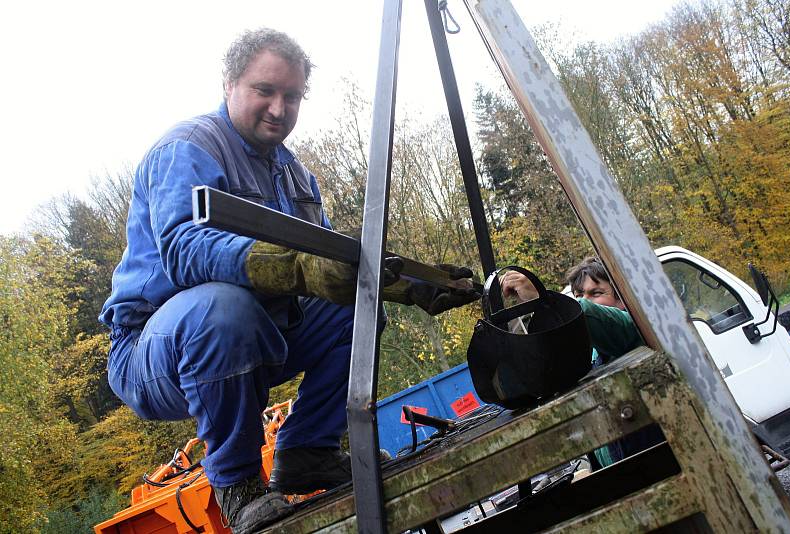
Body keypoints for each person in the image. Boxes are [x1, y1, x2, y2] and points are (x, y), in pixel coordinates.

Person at [99, 28, 478, 533]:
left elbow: (330, 265)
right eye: (265, 90)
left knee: (355, 306)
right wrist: (296, 266)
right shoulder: (188, 149)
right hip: (155, 350)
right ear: (230, 83)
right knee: (222, 309)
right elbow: (185, 251)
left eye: (292, 96)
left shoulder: (294, 175)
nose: (279, 108)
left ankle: (308, 451)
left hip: (262, 332)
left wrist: (410, 282)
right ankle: (237, 484)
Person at [501, 256, 663, 467]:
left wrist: (543, 299)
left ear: (622, 299)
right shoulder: (590, 356)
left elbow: (598, 318)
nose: (585, 300)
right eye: (578, 295)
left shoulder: (635, 331)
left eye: (596, 293)